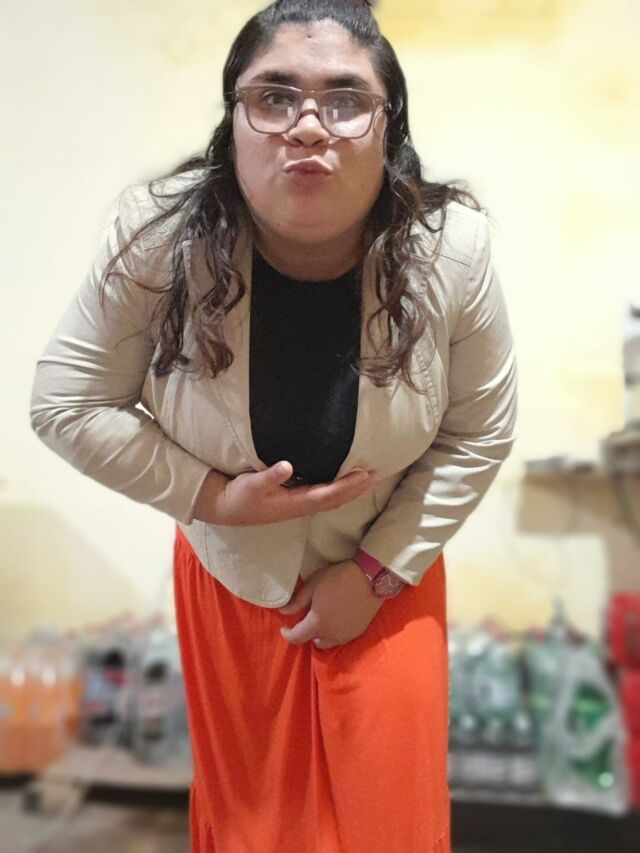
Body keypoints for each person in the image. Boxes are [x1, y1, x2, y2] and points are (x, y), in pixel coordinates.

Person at [30, 0, 518, 850]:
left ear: (389, 125)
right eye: (274, 96)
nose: (308, 124)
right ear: (234, 120)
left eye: (346, 99)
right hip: (234, 581)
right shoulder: (159, 237)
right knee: (256, 822)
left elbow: (479, 431)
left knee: (391, 820)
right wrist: (210, 498)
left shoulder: (453, 249)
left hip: (389, 570)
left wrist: (371, 576)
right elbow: (66, 400)